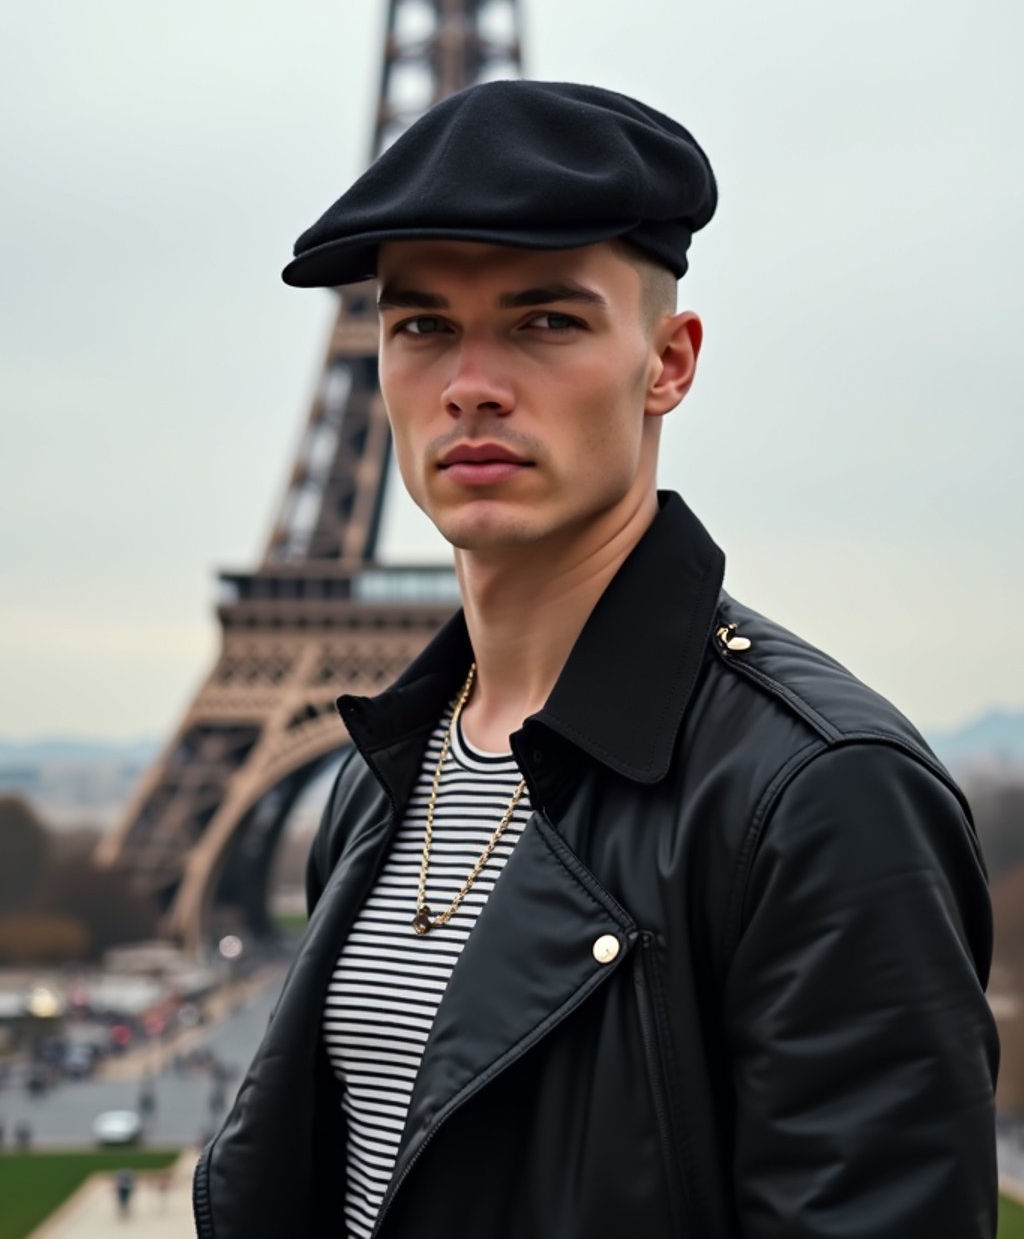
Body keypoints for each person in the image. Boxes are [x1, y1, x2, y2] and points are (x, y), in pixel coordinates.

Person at [192, 80, 999, 1239]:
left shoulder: (821, 796)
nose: (470, 381)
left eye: (546, 321)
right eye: (420, 326)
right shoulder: (379, 781)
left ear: (668, 363)